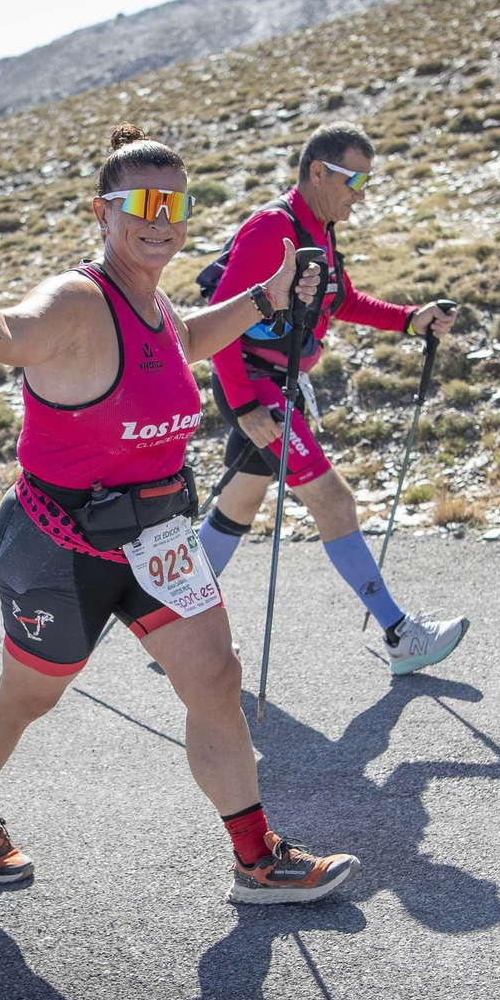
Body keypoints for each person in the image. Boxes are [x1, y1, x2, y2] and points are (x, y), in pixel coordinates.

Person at [0, 124, 356, 904]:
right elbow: (12, 333)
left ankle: (256, 859)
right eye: (144, 204)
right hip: (59, 545)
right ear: (103, 212)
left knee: (216, 678)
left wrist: (266, 296)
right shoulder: (78, 300)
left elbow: (190, 337)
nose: (162, 220)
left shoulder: (151, 304)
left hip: (157, 537)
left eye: (176, 205)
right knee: (30, 695)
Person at [198, 122, 469, 677]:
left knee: (238, 505)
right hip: (257, 388)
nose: (361, 196)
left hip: (277, 385)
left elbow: (339, 299)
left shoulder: (318, 227)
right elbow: (218, 323)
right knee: (335, 502)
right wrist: (247, 408)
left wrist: (410, 321)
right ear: (318, 172)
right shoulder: (274, 228)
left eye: (367, 182)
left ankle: (173, 618)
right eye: (355, 180)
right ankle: (400, 635)